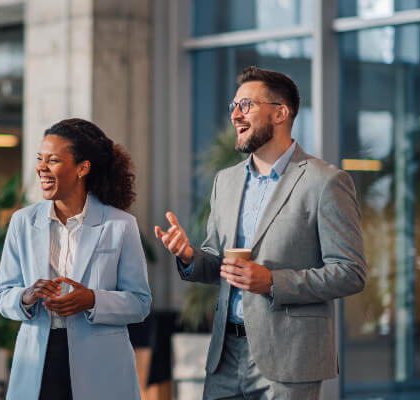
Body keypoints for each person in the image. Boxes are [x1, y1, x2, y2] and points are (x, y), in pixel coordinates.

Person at [155, 66, 367, 399]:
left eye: (246, 106)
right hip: (225, 356)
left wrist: (272, 281)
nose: (236, 115)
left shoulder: (325, 182)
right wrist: (189, 256)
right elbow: (218, 264)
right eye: (233, 107)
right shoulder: (225, 182)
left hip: (290, 359)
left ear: (280, 113)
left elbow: (350, 273)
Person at [0, 118, 152, 400]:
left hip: (101, 365)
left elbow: (140, 303)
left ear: (82, 168)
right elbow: (2, 295)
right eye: (40, 159)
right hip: (38, 361)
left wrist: (91, 299)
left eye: (53, 160)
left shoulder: (120, 225)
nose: (41, 167)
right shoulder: (23, 222)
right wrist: (26, 296)